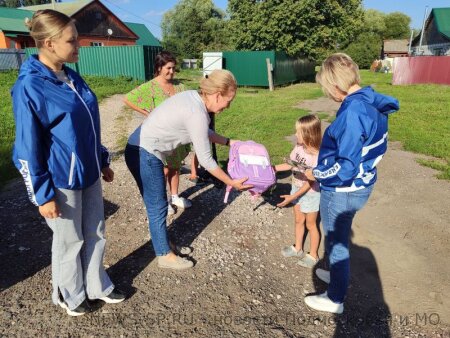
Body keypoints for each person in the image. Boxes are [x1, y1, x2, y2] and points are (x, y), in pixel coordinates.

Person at [11, 9, 125, 316]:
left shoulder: (71, 75)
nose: (79, 45)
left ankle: (96, 285)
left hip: (88, 172)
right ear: (49, 43)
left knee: (95, 231)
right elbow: (26, 146)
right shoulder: (30, 87)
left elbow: (88, 123)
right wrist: (42, 194)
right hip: (61, 179)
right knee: (69, 241)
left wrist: (101, 160)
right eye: (72, 40)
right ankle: (69, 294)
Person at [124, 69, 252, 270]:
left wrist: (229, 142)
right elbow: (207, 161)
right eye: (229, 100)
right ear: (217, 94)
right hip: (144, 153)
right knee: (157, 206)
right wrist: (231, 182)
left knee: (156, 204)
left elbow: (202, 131)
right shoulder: (197, 112)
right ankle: (164, 255)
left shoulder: (193, 98)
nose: (229, 105)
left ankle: (164, 245)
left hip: (139, 149)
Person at [303, 53, 399, 314]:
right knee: (340, 236)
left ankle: (335, 299)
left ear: (336, 85)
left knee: (336, 242)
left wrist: (318, 174)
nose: (328, 94)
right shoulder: (371, 101)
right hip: (363, 185)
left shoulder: (353, 112)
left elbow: (345, 167)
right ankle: (337, 275)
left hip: (343, 190)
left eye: (327, 88)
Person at [123, 51, 200, 216]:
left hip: (177, 136)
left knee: (175, 167)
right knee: (163, 170)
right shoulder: (150, 87)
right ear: (159, 67)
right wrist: (146, 112)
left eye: (174, 68)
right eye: (168, 68)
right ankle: (162, 201)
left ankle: (175, 196)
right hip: (160, 138)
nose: (172, 72)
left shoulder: (179, 86)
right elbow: (128, 98)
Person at [274, 115, 322, 268]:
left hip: (311, 194)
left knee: (311, 224)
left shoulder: (317, 156)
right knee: (298, 220)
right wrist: (271, 168)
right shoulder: (299, 148)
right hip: (296, 188)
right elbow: (289, 165)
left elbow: (310, 183)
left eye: (298, 132)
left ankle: (313, 255)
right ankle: (298, 248)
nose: (295, 135)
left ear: (308, 134)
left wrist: (292, 197)